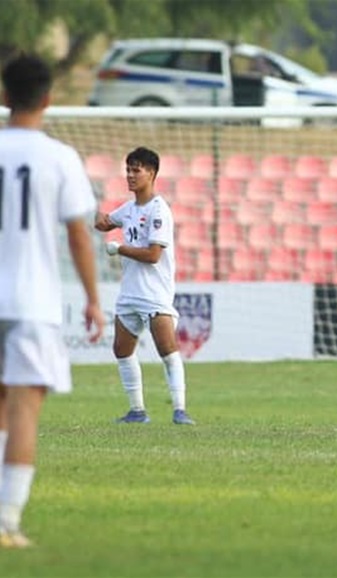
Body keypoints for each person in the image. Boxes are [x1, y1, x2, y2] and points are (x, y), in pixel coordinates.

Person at [0, 53, 105, 548]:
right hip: (32, 300)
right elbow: (80, 237)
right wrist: (92, 299)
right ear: (48, 98)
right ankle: (7, 522)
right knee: (23, 409)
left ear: (3, 96)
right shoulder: (60, 157)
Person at [94, 147, 194, 426]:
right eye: (128, 169)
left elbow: (153, 255)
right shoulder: (128, 209)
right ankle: (137, 411)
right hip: (130, 294)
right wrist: (93, 214)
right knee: (122, 350)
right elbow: (104, 223)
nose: (130, 175)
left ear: (152, 173)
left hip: (154, 294)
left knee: (167, 349)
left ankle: (180, 410)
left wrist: (119, 249)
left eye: (136, 170)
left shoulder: (159, 210)